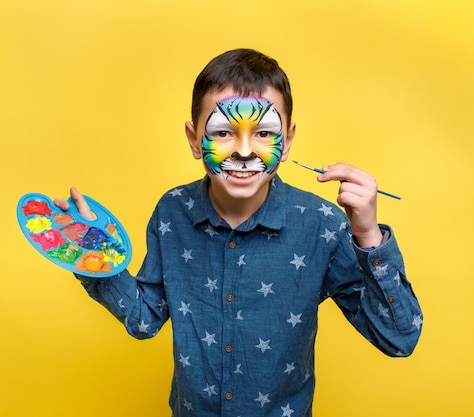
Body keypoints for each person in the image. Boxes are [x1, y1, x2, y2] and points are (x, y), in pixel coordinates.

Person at [54, 48, 422, 417]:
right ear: (195, 139)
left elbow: (399, 337)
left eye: (264, 132)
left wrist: (369, 235)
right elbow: (144, 319)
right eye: (223, 132)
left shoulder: (321, 224)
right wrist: (90, 253)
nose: (245, 151)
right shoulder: (173, 211)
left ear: (288, 140)